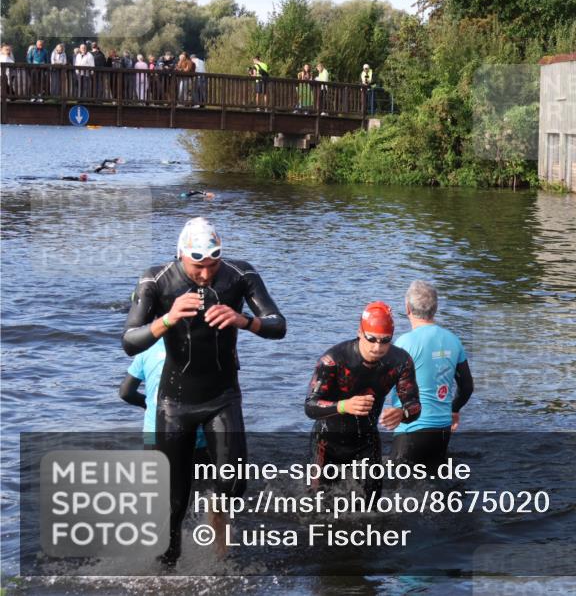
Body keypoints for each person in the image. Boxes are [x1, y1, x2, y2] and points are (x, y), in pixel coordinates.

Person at [122, 216, 286, 565]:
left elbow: (278, 325)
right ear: (181, 255)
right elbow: (129, 342)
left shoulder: (240, 275)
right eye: (198, 265)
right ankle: (165, 572)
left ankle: (216, 511)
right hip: (174, 402)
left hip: (222, 395)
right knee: (174, 502)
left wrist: (245, 321)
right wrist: (167, 319)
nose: (206, 274)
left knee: (235, 482)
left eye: (212, 263)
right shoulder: (156, 280)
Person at [119, 339, 227, 557]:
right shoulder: (209, 347)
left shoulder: (147, 349)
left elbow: (125, 392)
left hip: (156, 433)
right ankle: (220, 553)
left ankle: (155, 555)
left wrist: (151, 405)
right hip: (199, 436)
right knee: (215, 494)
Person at [305, 302, 421, 497]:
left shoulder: (400, 361)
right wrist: (344, 405)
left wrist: (403, 413)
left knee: (372, 505)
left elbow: (415, 405)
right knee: (316, 506)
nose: (378, 347)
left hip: (366, 442)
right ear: (360, 332)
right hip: (327, 442)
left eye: (385, 340)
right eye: (372, 339)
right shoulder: (333, 360)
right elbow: (310, 406)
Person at [382, 281, 473, 468]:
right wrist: (454, 409)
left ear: (408, 308)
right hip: (442, 431)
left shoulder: (404, 343)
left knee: (397, 491)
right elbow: (467, 387)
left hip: (410, 430)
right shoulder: (453, 340)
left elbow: (381, 383)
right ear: (435, 308)